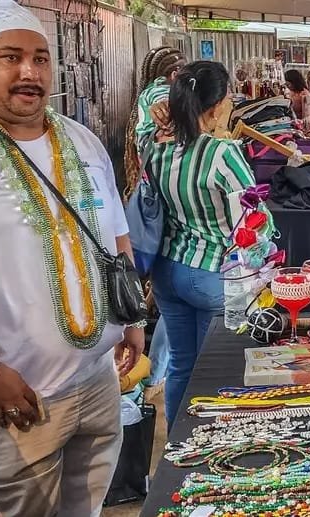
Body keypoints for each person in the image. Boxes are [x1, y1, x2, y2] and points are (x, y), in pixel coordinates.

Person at [0, 1, 142, 514]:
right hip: (9, 399)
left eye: (40, 58)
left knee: (87, 506)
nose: (29, 72)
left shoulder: (81, 140)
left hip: (96, 380)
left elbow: (116, 233)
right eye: (9, 57)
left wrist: (133, 316)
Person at [140, 61, 255, 426]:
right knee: (215, 373)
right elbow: (252, 219)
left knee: (181, 364)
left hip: (166, 271)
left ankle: (176, 440)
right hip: (209, 273)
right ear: (218, 106)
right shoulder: (223, 154)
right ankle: (202, 450)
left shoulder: (155, 150)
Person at [126, 46, 186, 399]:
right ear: (173, 74)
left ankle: (149, 376)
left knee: (164, 299)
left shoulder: (149, 93)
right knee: (168, 304)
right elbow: (165, 139)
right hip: (163, 208)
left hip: (153, 203)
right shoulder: (162, 97)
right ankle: (150, 378)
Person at [124, 46, 185, 197]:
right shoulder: (161, 90)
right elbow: (164, 102)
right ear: (174, 74)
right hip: (159, 165)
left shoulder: (149, 90)